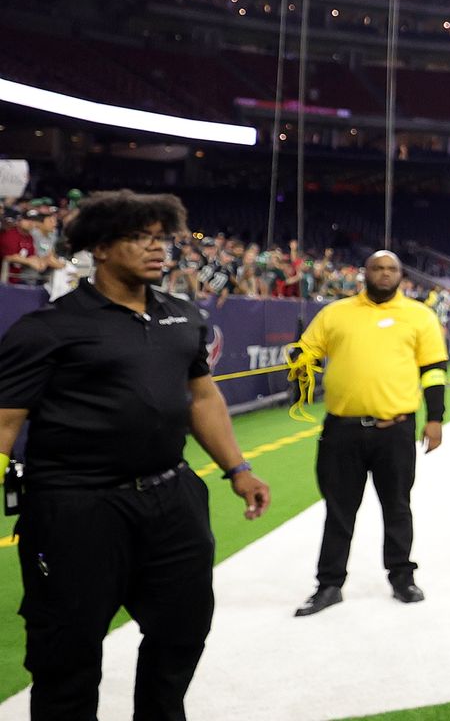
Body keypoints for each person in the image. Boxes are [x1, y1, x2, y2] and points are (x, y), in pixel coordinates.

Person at [0, 190, 271, 720]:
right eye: (138, 237)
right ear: (99, 248)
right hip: (76, 506)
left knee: (182, 629)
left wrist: (237, 468)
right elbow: (5, 421)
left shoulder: (183, 316)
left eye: (160, 238)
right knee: (66, 654)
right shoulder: (48, 328)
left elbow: (202, 397)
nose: (156, 248)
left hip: (172, 498)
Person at [290, 250, 449, 617]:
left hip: (395, 429)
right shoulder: (335, 313)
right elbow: (307, 350)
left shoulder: (419, 315)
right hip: (342, 430)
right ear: (365, 273)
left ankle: (402, 577)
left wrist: (436, 417)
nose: (384, 274)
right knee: (338, 510)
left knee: (397, 507)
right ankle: (329, 584)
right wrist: (301, 361)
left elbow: (434, 369)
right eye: (377, 268)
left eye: (391, 268)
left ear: (401, 275)